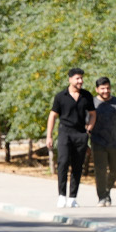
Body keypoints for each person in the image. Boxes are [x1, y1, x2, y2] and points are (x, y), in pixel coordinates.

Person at [45, 67, 97, 209]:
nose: (81, 81)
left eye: (81, 78)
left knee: (77, 166)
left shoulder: (86, 96)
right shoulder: (60, 96)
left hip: (80, 134)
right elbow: (52, 115)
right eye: (77, 78)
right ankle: (62, 196)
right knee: (62, 163)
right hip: (65, 133)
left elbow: (93, 114)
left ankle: (72, 198)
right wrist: (49, 136)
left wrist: (89, 129)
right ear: (70, 79)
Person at [89, 76, 116, 208]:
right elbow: (86, 122)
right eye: (102, 88)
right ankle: (102, 197)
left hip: (115, 141)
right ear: (97, 89)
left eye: (108, 88)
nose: (105, 91)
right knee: (100, 171)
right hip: (97, 141)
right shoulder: (92, 103)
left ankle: (107, 190)